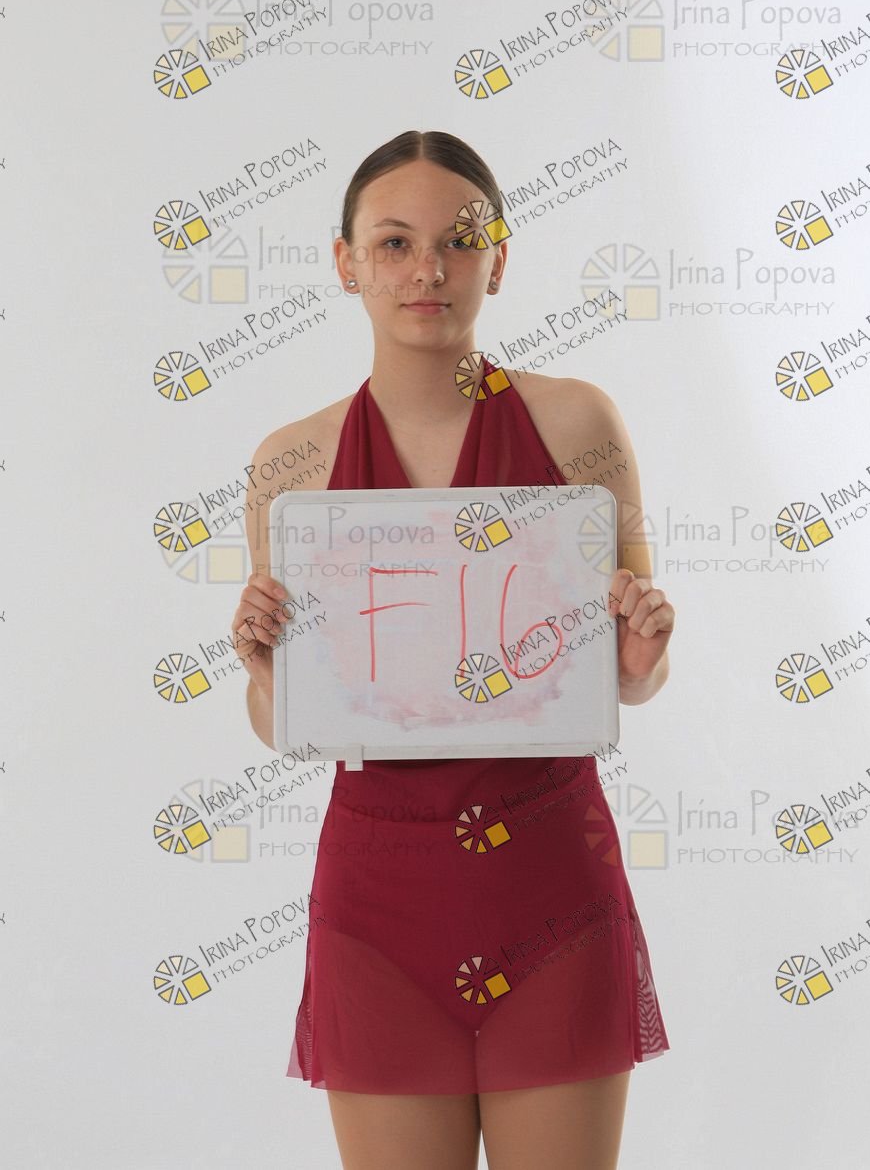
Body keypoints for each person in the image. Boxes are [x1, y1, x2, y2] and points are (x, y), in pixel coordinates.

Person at [231, 129, 676, 1170]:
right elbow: (281, 720)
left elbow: (634, 678)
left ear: (498, 260)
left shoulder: (577, 422)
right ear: (345, 262)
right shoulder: (291, 462)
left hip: (550, 882)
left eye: (459, 241)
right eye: (394, 243)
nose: (427, 270)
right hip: (377, 898)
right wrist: (266, 677)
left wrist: (641, 653)